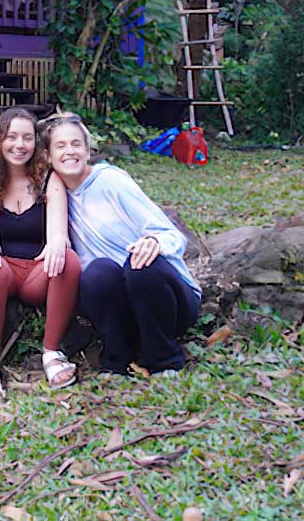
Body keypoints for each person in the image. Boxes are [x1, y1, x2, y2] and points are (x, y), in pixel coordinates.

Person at [42, 113, 201, 376]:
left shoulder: (110, 181)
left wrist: (153, 242)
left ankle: (164, 360)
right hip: (123, 308)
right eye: (60, 146)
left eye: (76, 144)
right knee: (96, 272)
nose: (69, 152)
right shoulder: (56, 198)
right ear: (48, 156)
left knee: (139, 264)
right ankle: (116, 359)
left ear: (88, 149)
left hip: (168, 300)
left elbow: (173, 236)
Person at [0, 108, 80, 405]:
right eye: (11, 137)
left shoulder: (48, 179)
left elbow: (58, 230)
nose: (19, 145)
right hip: (4, 271)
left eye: (27, 138)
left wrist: (58, 241)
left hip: (37, 272)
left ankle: (52, 352)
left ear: (36, 144)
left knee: (68, 259)